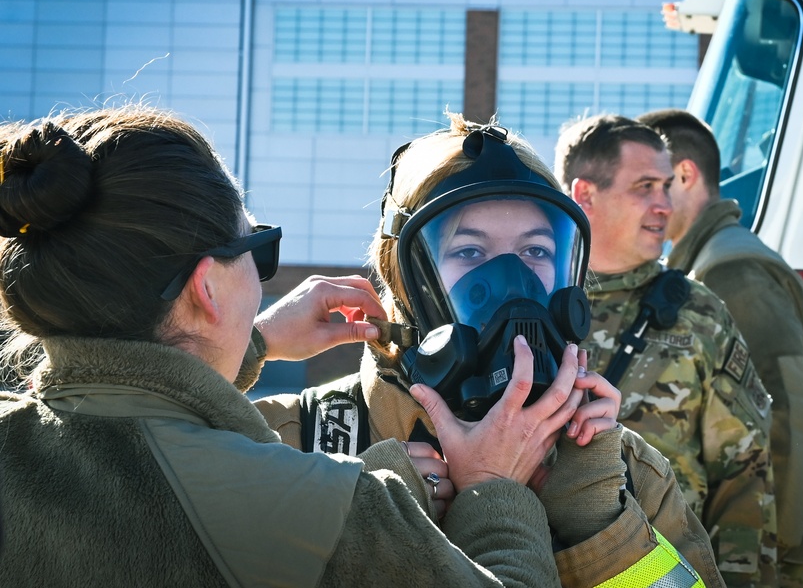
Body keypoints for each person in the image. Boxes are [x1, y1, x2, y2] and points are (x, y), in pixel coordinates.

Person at [0, 106, 586, 587]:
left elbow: (137, 421)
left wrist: (253, 342)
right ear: (208, 286)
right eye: (257, 247)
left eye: (537, 250)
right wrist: (493, 490)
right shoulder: (320, 499)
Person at [255, 113, 726, 588]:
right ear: (402, 279)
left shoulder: (620, 475)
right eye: (470, 253)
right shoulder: (293, 444)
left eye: (536, 251)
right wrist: (357, 518)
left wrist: (600, 527)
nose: (511, 282)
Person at [555, 113, 779, 587]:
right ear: (584, 195)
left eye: (666, 186)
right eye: (644, 187)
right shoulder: (530, 310)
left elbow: (744, 476)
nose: (665, 204)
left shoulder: (698, 313)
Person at [637, 108, 803, 587]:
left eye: (651, 184)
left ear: (684, 175)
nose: (647, 206)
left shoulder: (731, 271)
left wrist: (771, 547)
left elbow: (793, 411)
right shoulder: (709, 262)